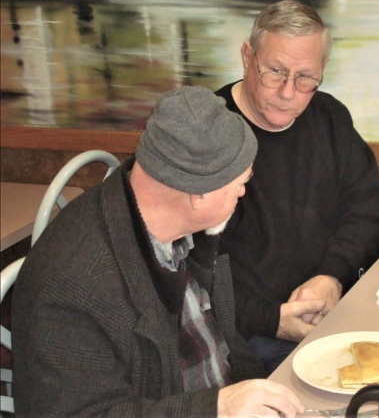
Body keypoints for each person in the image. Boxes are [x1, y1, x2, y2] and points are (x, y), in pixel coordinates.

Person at [11, 87, 309, 417]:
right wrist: (216, 408)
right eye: (240, 183)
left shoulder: (178, 223)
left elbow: (225, 346)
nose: (242, 192)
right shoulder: (73, 283)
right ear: (199, 195)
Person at [214, 0, 379, 372]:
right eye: (275, 72)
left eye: (305, 77)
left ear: (323, 68)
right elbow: (186, 273)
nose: (287, 92)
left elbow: (370, 216)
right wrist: (271, 320)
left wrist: (332, 276)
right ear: (247, 57)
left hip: (333, 308)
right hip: (244, 334)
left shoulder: (329, 117)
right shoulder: (208, 133)